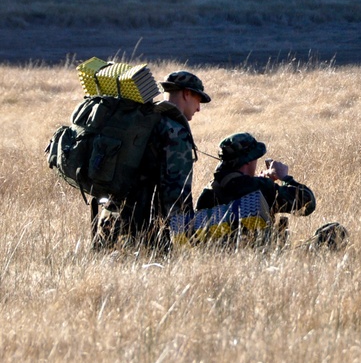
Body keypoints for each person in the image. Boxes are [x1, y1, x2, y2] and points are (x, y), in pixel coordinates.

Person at [93, 70, 211, 253]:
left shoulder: (143, 121)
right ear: (187, 93)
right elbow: (176, 196)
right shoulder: (175, 132)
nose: (198, 108)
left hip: (108, 223)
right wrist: (192, 240)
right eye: (198, 100)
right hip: (140, 237)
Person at [195, 132, 317, 220]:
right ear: (249, 160)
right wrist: (284, 177)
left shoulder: (209, 190)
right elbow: (307, 202)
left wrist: (259, 181)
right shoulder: (259, 188)